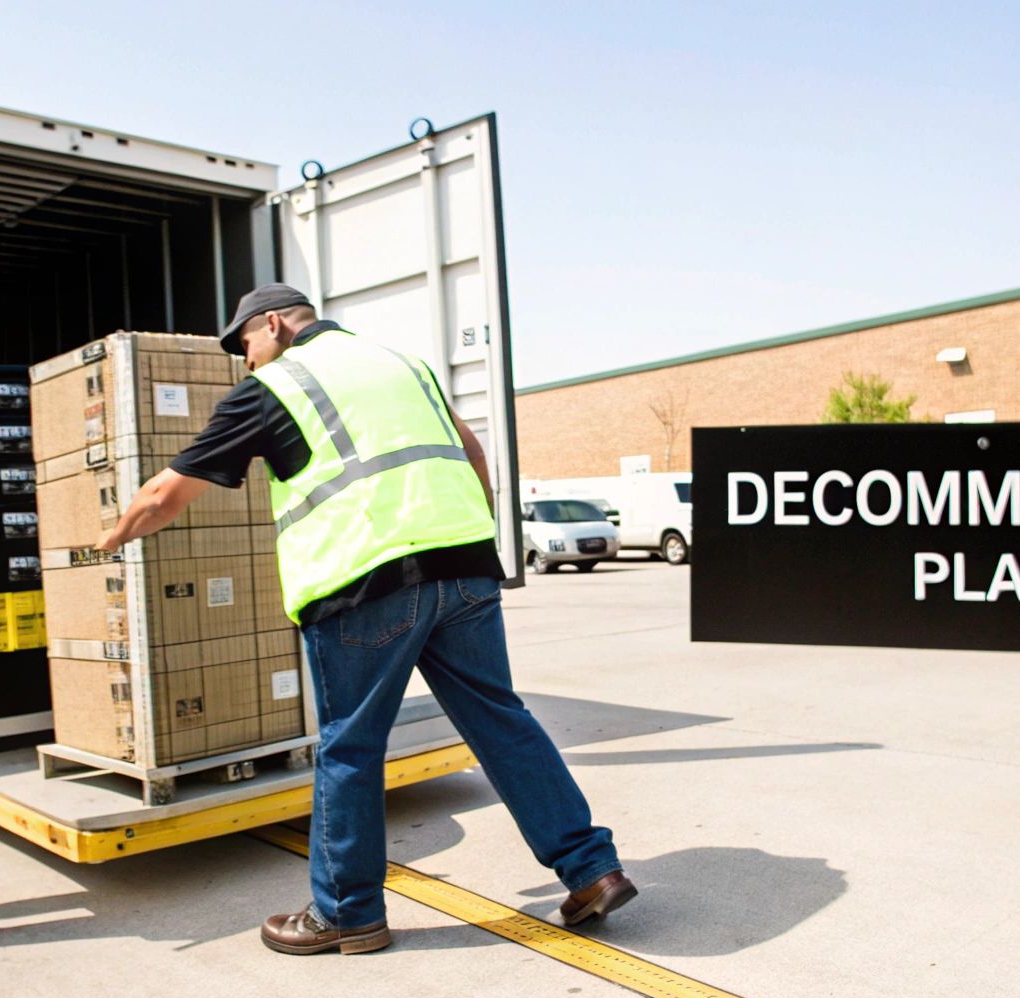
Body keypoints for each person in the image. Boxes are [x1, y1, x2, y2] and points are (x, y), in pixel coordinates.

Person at [96, 284, 635, 955]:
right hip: (464, 568)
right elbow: (471, 451)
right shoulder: (403, 363)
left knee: (351, 748)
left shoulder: (278, 385)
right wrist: (474, 538)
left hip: (365, 585)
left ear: (273, 325)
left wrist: (109, 541)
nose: (245, 362)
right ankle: (591, 869)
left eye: (245, 346)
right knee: (503, 722)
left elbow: (162, 493)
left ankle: (347, 913)